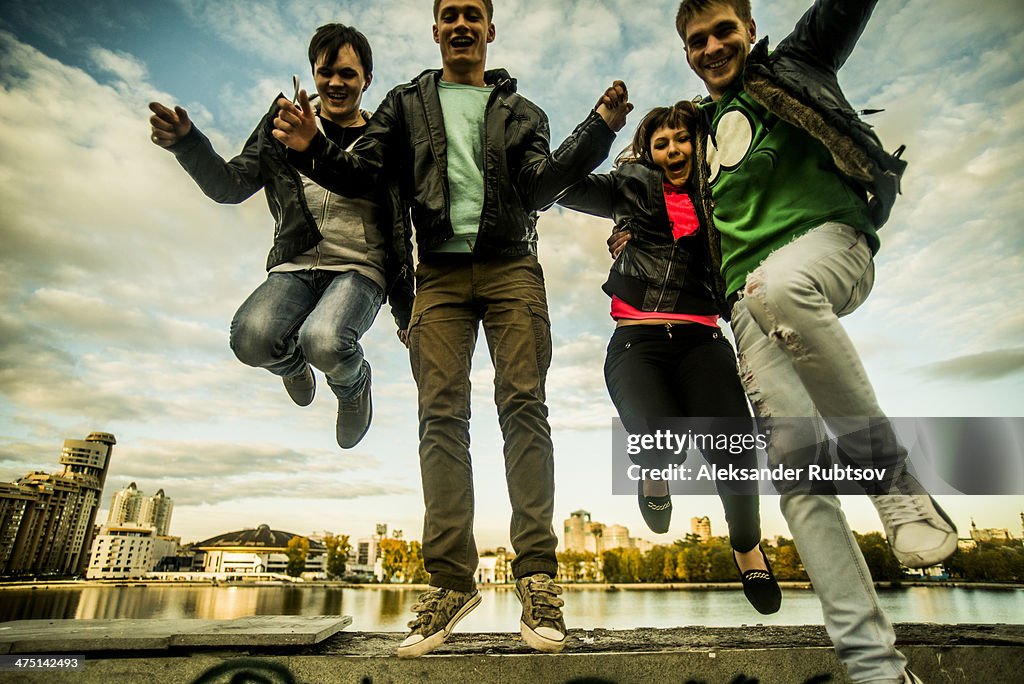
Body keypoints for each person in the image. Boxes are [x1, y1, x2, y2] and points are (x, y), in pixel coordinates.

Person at [271, 0, 630, 658]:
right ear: (436, 30)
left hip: (512, 268)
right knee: (440, 415)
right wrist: (312, 148)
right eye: (450, 14)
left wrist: (598, 132)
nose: (462, 23)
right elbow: (363, 174)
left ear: (489, 30)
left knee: (524, 405)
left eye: (473, 13)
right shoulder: (406, 105)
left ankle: (538, 579)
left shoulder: (525, 114)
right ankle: (449, 581)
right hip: (436, 274)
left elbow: (541, 187)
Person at [661, 0, 955, 681]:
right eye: (697, 39)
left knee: (781, 285)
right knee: (797, 475)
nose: (711, 47)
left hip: (827, 248)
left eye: (723, 31)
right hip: (745, 301)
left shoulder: (796, 62)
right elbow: (627, 193)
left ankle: (894, 482)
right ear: (686, 52)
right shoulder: (693, 133)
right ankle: (874, 666)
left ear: (750, 30)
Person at [559, 101, 780, 615]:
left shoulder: (721, 193)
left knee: (736, 451)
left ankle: (746, 546)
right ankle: (652, 473)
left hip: (702, 342)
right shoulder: (627, 191)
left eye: (683, 139)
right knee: (662, 434)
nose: (673, 149)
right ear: (648, 151)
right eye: (662, 142)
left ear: (699, 144)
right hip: (638, 344)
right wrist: (599, 128)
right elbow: (559, 186)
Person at [148, 24, 413, 450]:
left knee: (323, 340)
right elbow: (230, 185)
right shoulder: (282, 125)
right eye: (326, 72)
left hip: (360, 269)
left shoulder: (384, 139)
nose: (336, 83)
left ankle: (353, 387)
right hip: (297, 263)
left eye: (348, 74)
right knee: (250, 339)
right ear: (313, 74)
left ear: (367, 79)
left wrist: (407, 310)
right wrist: (188, 143)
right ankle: (292, 365)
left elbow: (403, 224)